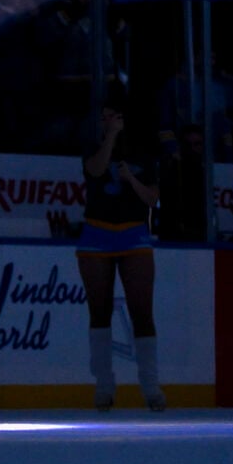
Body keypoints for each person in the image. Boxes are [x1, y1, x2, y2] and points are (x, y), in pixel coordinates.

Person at [76, 89, 166, 412]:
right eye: (103, 117)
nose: (105, 121)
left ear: (125, 117)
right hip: (96, 233)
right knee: (99, 312)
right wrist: (110, 139)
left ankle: (151, 386)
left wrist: (132, 181)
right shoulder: (93, 145)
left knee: (142, 311)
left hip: (134, 234)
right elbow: (96, 170)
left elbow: (153, 199)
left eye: (111, 116)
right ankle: (103, 386)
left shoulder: (144, 152)